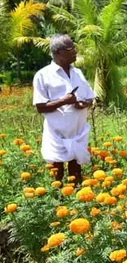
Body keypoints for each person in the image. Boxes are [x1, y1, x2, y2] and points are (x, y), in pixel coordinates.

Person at [32, 34, 95, 186]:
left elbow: (89, 97)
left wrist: (83, 104)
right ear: (59, 52)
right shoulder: (43, 75)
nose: (75, 51)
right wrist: (63, 101)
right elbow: (40, 107)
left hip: (77, 131)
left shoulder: (77, 73)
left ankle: (77, 194)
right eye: (70, 48)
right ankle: (58, 199)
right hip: (57, 132)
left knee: (76, 168)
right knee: (57, 170)